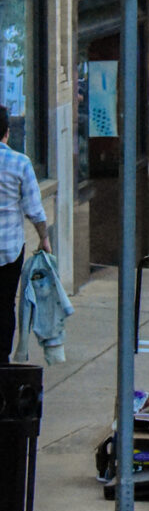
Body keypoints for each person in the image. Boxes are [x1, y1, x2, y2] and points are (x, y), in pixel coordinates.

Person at [0, 106, 49, 359]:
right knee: (5, 304)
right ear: (6, 133)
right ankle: (2, 362)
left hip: (9, 248)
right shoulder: (20, 163)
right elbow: (34, 209)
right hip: (7, 250)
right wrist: (44, 238)